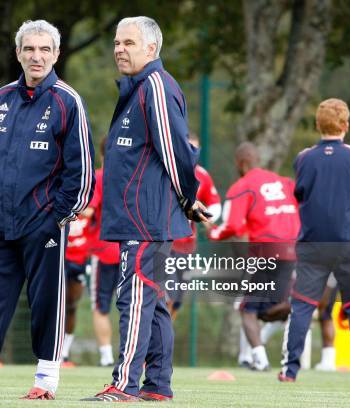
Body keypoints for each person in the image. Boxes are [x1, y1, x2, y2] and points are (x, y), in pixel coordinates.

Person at [0, 19, 94, 400]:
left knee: (47, 302)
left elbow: (82, 170)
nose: (37, 56)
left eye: (45, 49)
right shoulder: (0, 99)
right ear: (18, 53)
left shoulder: (67, 101)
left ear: (56, 54)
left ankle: (45, 381)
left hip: (43, 224)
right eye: (29, 49)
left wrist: (57, 217)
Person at [83, 16, 209, 402]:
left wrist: (188, 198)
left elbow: (175, 150)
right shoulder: (139, 86)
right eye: (117, 42)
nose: (120, 48)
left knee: (134, 298)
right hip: (138, 216)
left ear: (151, 49)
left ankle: (124, 385)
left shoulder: (154, 85)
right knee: (151, 303)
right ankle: (157, 386)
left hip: (145, 217)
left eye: (129, 43)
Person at [279, 98, 350, 384]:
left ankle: (290, 371)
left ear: (318, 124)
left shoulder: (303, 158)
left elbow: (300, 193)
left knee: (302, 305)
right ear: (345, 125)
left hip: (313, 243)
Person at [208, 142, 299, 371]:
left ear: (240, 163)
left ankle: (260, 361)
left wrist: (213, 231)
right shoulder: (285, 183)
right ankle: (295, 304)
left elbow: (234, 226)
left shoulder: (243, 186)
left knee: (246, 309)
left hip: (266, 250)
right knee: (269, 308)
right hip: (291, 251)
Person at [168, 162, 221, 320]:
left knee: (177, 300)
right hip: (166, 245)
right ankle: (158, 340)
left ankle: (165, 337)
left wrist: (207, 220)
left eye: (194, 149)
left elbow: (213, 205)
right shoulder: (167, 169)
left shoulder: (201, 174)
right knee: (167, 296)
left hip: (187, 248)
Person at [87, 137, 120, 367]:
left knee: (101, 306)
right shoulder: (133, 175)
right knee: (132, 305)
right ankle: (134, 354)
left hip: (103, 250)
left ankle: (107, 355)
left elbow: (88, 210)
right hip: (132, 250)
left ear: (101, 155)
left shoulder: (99, 177)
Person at [60, 214, 92, 367]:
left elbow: (93, 213)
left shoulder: (93, 193)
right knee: (56, 305)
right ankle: (51, 353)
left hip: (80, 259)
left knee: (71, 306)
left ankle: (64, 354)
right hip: (59, 255)